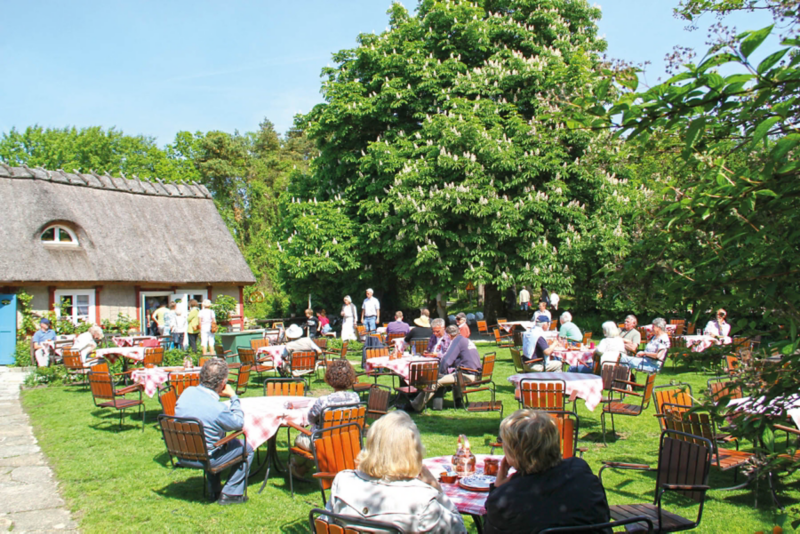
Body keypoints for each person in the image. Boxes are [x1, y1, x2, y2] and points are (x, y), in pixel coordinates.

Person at [327, 411, 466, 533]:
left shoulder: (343, 482)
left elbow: (324, 526)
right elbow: (459, 530)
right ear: (412, 451)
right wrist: (438, 490)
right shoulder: (422, 500)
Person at [484, 410, 610, 533]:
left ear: (513, 453)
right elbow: (602, 517)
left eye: (504, 444)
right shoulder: (581, 471)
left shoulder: (505, 500)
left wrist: (497, 489)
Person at [175, 358, 253, 505]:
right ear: (223, 383)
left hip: (182, 453)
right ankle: (231, 493)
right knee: (246, 448)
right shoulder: (217, 409)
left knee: (213, 439)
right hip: (205, 457)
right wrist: (233, 397)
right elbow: (238, 423)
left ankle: (214, 489)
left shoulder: (187, 392)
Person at [291, 359, 360, 477]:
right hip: (347, 440)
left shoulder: (324, 401)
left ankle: (297, 466)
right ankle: (303, 468)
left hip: (324, 442)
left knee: (299, 439)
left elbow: (311, 419)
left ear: (330, 378)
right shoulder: (355, 398)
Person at [411, 325, 480, 412]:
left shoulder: (457, 341)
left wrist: (439, 373)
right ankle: (458, 401)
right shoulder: (465, 340)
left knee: (435, 381)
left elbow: (447, 360)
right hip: (475, 373)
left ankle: (415, 406)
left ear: (449, 335)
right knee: (452, 374)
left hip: (466, 375)